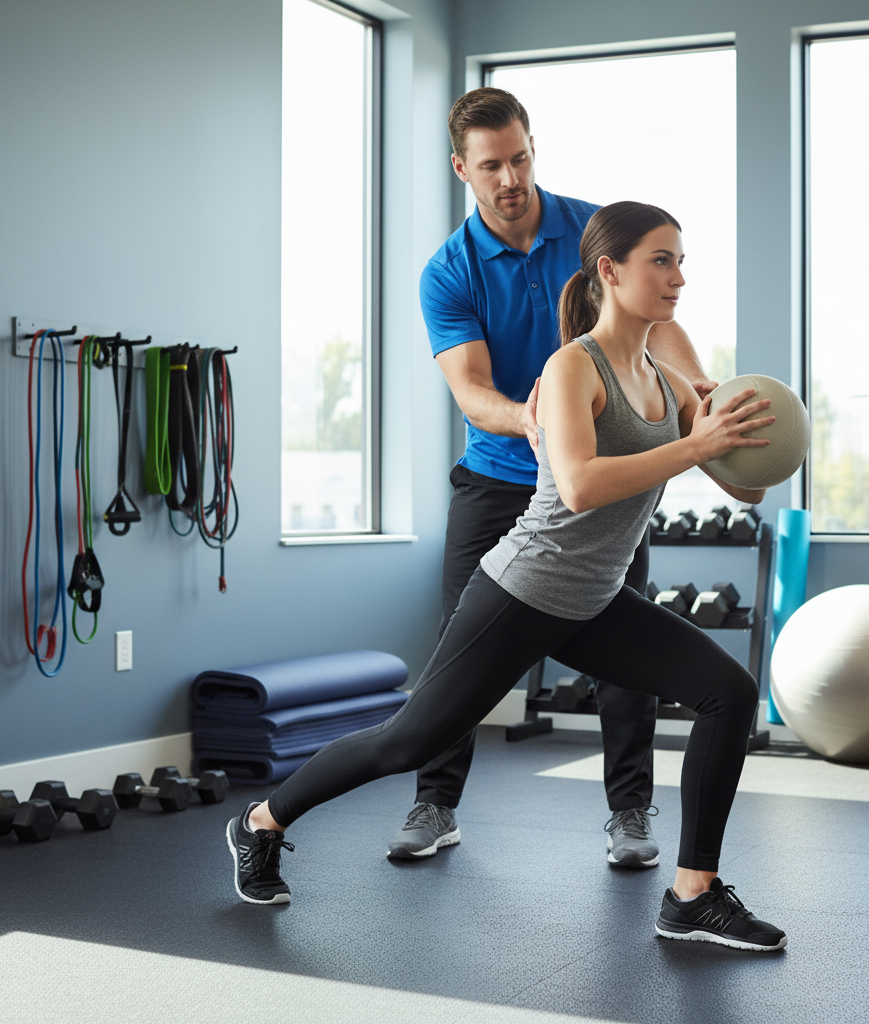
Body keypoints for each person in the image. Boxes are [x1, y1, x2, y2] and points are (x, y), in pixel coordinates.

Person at [226, 201, 788, 952]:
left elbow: (744, 489)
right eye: (662, 259)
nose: (679, 276)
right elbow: (581, 484)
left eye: (682, 260)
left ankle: (694, 894)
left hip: (593, 600)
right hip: (522, 592)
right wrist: (695, 447)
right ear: (610, 270)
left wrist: (755, 436)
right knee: (407, 743)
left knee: (730, 692)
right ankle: (260, 823)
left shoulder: (669, 382)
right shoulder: (570, 369)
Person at [396, 86, 720, 868]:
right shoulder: (450, 271)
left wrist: (700, 396)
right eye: (491, 167)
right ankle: (435, 802)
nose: (510, 179)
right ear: (460, 170)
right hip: (502, 473)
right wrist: (537, 424)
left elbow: (659, 326)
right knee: (455, 646)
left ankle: (630, 813)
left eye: (520, 158)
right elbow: (471, 391)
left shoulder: (592, 229)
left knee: (627, 643)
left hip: (602, 475)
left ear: (532, 149)